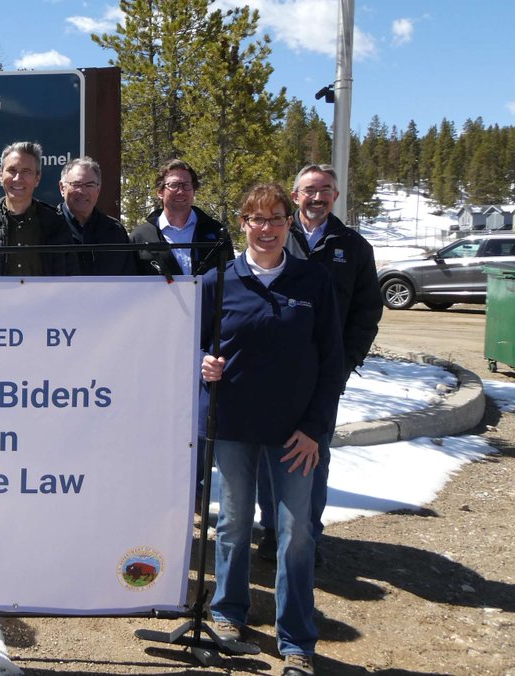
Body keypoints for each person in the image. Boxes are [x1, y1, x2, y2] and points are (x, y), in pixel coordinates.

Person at [200, 183, 343, 675]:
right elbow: (189, 345)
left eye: (276, 219)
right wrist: (204, 364)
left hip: (296, 434)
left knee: (295, 533)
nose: (267, 228)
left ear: (289, 223)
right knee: (234, 525)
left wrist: (315, 428)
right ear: (243, 223)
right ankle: (227, 614)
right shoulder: (218, 281)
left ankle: (297, 639)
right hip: (235, 426)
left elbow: (332, 362)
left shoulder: (312, 281)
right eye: (257, 219)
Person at [256, 164, 384, 564]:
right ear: (295, 197)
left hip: (325, 374)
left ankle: (308, 534)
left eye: (325, 190)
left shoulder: (354, 246)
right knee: (268, 453)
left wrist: (345, 363)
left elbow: (367, 311)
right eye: (309, 190)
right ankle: (274, 531)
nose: (317, 197)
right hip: (273, 371)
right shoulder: (274, 234)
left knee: (314, 452)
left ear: (336, 197)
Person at [0, 141, 79, 276]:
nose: (18, 178)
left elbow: (69, 284)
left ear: (37, 178)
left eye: (26, 171)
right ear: (1, 175)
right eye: (12, 170)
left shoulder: (56, 224)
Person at [129, 159, 232, 277]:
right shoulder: (140, 237)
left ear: (194, 190)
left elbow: (230, 280)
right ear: (160, 192)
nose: (180, 191)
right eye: (173, 185)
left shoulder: (216, 232)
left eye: (186, 185)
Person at [57, 157, 135, 275]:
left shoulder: (115, 231)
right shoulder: (47, 227)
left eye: (90, 185)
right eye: (76, 184)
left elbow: (129, 280)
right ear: (62, 188)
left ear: (98, 189)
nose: (82, 191)